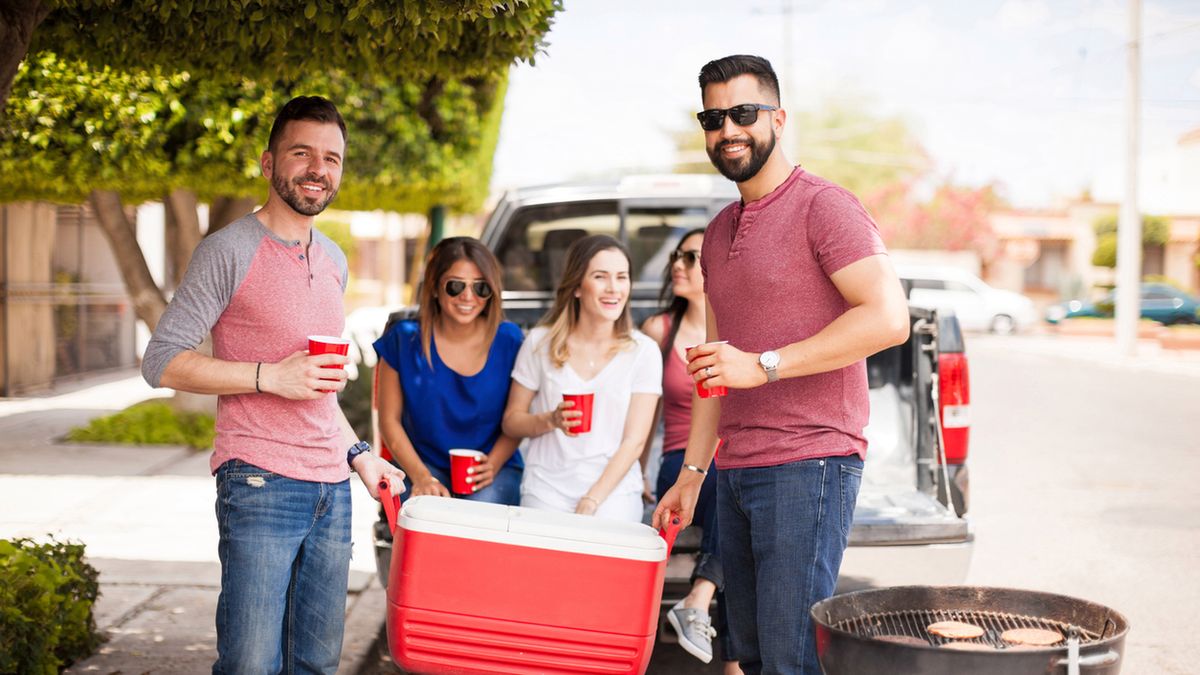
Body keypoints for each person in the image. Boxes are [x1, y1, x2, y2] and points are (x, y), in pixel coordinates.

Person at [652, 55, 910, 675]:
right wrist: (692, 474)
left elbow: (888, 317)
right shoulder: (718, 232)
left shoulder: (826, 207)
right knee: (751, 658)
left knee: (791, 660)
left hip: (809, 463)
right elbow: (714, 367)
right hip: (735, 470)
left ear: (779, 118)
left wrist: (765, 365)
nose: (728, 130)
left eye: (743, 113)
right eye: (713, 118)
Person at [141, 96, 405, 675]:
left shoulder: (333, 259)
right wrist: (269, 376)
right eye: (301, 153)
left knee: (316, 665)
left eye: (331, 158)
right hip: (259, 481)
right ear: (268, 163)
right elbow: (160, 361)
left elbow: (319, 391)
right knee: (250, 664)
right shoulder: (228, 250)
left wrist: (361, 457)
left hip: (332, 490)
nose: (318, 169)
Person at [502, 234, 661, 522]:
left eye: (621, 277)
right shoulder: (539, 342)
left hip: (614, 491)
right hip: (546, 488)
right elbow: (511, 422)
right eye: (600, 277)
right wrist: (551, 420)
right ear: (576, 286)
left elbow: (634, 442)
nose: (613, 288)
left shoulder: (644, 351)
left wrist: (592, 499)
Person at [640, 229, 742, 673]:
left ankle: (702, 603)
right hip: (679, 463)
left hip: (728, 464)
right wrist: (639, 473)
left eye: (691, 258)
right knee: (727, 487)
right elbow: (645, 410)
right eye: (676, 257)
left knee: (738, 505)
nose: (678, 266)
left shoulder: (739, 332)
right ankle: (698, 600)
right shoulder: (659, 330)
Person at [372, 237, 524, 504]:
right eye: (456, 286)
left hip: (491, 464)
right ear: (434, 287)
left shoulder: (509, 340)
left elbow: (518, 416)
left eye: (481, 287)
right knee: (426, 512)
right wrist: (421, 477)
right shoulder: (403, 340)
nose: (468, 296)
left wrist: (494, 463)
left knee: (479, 515)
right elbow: (389, 421)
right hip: (421, 463)